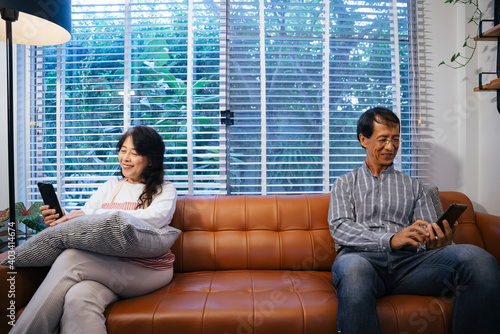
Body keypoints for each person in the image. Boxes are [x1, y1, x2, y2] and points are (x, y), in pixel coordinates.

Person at [328, 107, 500, 334]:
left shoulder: (413, 186)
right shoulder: (345, 183)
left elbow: (426, 233)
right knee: (353, 269)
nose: (391, 147)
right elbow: (340, 227)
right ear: (363, 140)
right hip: (361, 260)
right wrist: (390, 239)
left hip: (410, 266)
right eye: (383, 139)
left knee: (479, 260)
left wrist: (439, 239)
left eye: (395, 139)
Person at [11, 125, 177, 334]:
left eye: (134, 153)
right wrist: (63, 218)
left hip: (148, 269)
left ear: (150, 160)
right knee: (78, 298)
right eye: (122, 150)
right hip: (108, 265)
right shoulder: (110, 186)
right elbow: (86, 217)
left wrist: (92, 215)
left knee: (71, 259)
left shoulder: (165, 189)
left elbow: (154, 219)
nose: (125, 158)